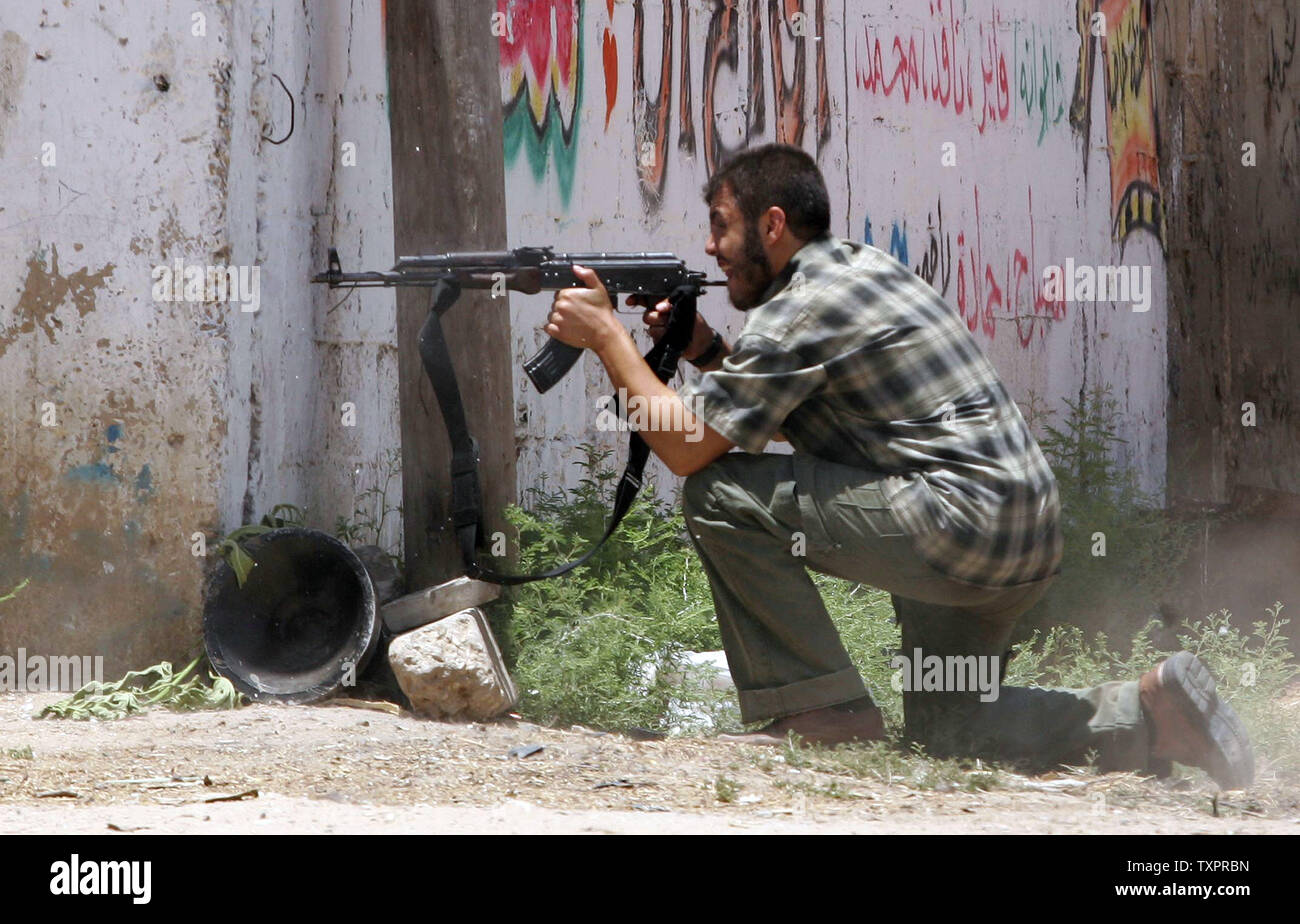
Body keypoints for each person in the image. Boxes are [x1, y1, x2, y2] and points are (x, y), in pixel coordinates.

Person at [545, 143, 1253, 789]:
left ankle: (821, 710)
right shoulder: (859, 271)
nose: (710, 245)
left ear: (771, 225)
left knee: (721, 492)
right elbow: (791, 411)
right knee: (952, 729)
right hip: (1018, 537)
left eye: (721, 225)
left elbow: (688, 448)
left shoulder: (798, 308)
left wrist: (609, 338)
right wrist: (702, 351)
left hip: (954, 525)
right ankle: (1152, 715)